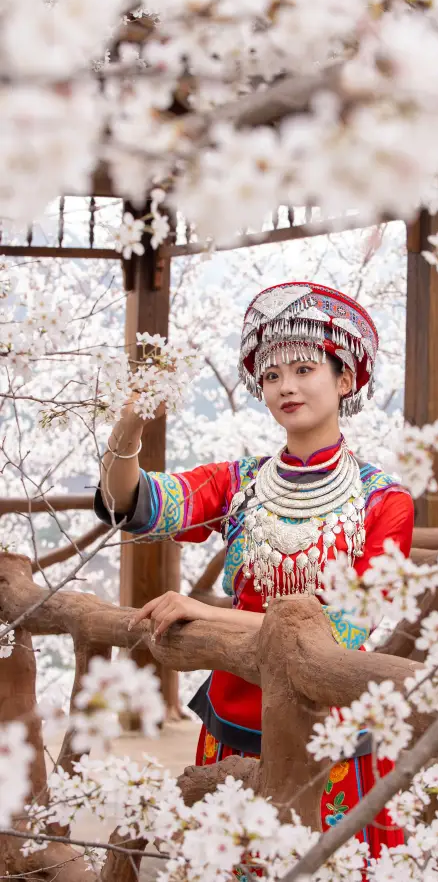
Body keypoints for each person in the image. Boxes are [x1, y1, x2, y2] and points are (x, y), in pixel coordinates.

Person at [95, 281, 414, 857]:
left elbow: (344, 629)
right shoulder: (240, 482)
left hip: (333, 718)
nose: (285, 385)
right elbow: (134, 503)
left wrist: (204, 612)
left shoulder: (384, 502)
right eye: (271, 375)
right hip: (236, 708)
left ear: (345, 380)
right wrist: (129, 428)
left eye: (304, 368)